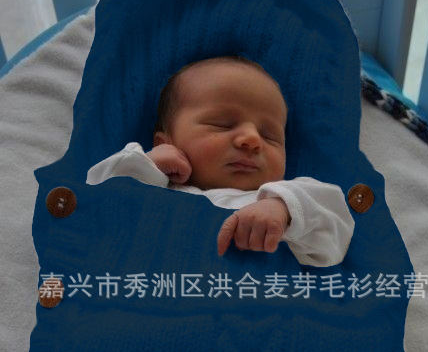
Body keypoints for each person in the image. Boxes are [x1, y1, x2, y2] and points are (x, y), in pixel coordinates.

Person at [87, 55, 355, 267]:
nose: (252, 139)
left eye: (270, 136)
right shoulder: (152, 189)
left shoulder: (287, 198)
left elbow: (337, 233)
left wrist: (284, 210)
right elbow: (94, 212)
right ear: (166, 143)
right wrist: (145, 165)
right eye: (223, 124)